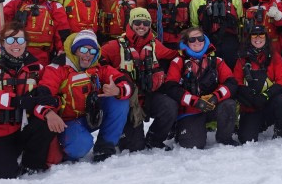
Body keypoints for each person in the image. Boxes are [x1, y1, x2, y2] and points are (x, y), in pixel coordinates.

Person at [0, 23, 61, 179]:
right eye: (10, 40)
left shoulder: (38, 68)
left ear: (26, 42)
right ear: (2, 42)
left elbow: (47, 97)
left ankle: (31, 163)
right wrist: (16, 102)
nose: (16, 44)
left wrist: (48, 111)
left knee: (47, 123)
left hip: (24, 128)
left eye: (20, 40)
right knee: (4, 175)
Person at [37, 29, 134, 162]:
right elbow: (42, 95)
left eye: (92, 51)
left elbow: (128, 85)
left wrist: (117, 90)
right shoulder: (57, 68)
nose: (87, 55)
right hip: (67, 122)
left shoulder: (99, 67)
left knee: (120, 101)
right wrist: (49, 113)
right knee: (80, 147)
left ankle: (105, 147)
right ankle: (65, 148)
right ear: (74, 50)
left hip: (92, 115)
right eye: (83, 50)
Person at [101, 8, 179, 152]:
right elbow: (96, 60)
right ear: (130, 23)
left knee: (170, 106)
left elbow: (173, 54)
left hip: (148, 96)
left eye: (146, 23)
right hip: (128, 101)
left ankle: (154, 139)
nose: (141, 26)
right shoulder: (114, 46)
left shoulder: (155, 45)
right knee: (134, 147)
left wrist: (196, 50)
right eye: (137, 22)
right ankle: (123, 136)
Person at [165, 27, 240, 148]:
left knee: (229, 104)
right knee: (193, 145)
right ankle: (180, 129)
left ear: (205, 40)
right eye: (192, 39)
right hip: (190, 110)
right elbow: (171, 87)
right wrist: (195, 101)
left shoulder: (216, 61)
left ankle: (225, 138)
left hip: (212, 105)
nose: (197, 42)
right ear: (186, 42)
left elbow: (231, 83)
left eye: (200, 38)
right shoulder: (178, 61)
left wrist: (215, 97)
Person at [233, 24, 282, 142]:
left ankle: (280, 129)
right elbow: (236, 81)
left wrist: (266, 95)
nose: (258, 38)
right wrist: (249, 96)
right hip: (250, 107)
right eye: (254, 35)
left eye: (261, 35)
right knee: (246, 139)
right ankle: (255, 125)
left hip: (268, 104)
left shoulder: (275, 56)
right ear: (249, 38)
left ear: (266, 38)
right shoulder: (242, 59)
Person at [189, 0, 243, 68]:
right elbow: (194, 26)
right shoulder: (196, 1)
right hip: (207, 43)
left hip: (230, 44)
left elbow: (240, 23)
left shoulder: (236, 0)